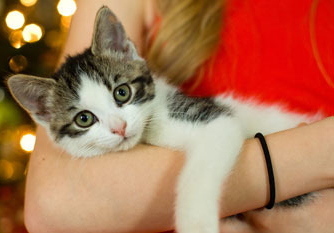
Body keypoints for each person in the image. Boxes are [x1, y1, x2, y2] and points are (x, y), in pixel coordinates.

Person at [23, 0, 334, 232]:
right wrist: (317, 155)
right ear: (45, 113)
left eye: (121, 95)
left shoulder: (160, 113)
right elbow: (51, 205)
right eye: (85, 119)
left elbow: (220, 128)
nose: (117, 127)